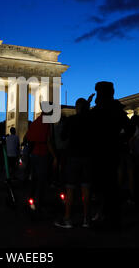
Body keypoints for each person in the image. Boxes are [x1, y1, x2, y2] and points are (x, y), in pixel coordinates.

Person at [89, 81, 131, 230]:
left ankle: (109, 219)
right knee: (110, 186)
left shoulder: (100, 109)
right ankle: (112, 218)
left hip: (100, 152)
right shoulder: (116, 108)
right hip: (111, 151)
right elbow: (130, 128)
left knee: (104, 187)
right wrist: (120, 140)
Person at [55, 96, 93, 229]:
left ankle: (67, 218)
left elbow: (63, 136)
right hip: (88, 157)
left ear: (77, 107)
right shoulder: (91, 120)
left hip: (73, 157)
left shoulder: (71, 120)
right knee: (86, 188)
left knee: (70, 188)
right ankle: (86, 219)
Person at [25, 101, 57, 212]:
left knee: (34, 179)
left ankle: (31, 200)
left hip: (33, 154)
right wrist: (55, 157)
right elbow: (48, 141)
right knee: (41, 180)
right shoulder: (48, 122)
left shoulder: (35, 122)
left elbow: (27, 137)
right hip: (43, 154)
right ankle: (39, 203)